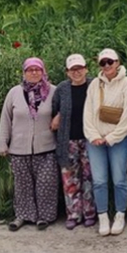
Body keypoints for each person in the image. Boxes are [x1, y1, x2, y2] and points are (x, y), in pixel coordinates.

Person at [0, 57, 58, 231]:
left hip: (46, 148)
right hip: (19, 148)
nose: (34, 73)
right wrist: (3, 142)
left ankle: (44, 217)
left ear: (43, 71)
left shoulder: (53, 91)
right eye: (30, 70)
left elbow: (63, 110)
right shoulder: (14, 93)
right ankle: (23, 216)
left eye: (37, 69)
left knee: (46, 185)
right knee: (23, 186)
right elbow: (6, 118)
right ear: (24, 73)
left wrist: (59, 117)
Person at [83, 48, 127, 236]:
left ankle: (120, 214)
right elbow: (87, 113)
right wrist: (93, 135)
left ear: (117, 63)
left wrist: (112, 137)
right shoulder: (94, 84)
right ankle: (103, 216)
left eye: (110, 62)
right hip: (95, 140)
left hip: (118, 139)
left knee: (119, 180)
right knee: (99, 181)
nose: (106, 66)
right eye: (103, 63)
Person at [51, 54, 96, 230]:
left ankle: (90, 212)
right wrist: (59, 115)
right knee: (70, 179)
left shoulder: (94, 85)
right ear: (67, 72)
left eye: (80, 68)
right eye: (73, 69)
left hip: (89, 139)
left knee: (89, 177)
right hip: (67, 140)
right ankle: (73, 213)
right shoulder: (62, 89)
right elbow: (55, 109)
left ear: (86, 69)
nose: (77, 72)